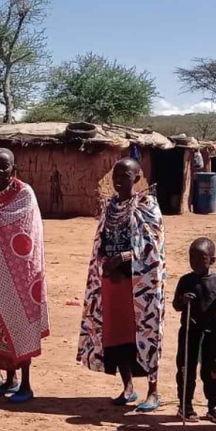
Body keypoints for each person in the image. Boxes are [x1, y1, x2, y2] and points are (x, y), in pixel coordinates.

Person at [77, 159, 167, 413]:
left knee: (145, 333)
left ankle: (153, 391)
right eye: (115, 175)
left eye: (125, 175)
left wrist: (124, 257)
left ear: (137, 178)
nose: (118, 180)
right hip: (113, 281)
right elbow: (102, 240)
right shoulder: (110, 206)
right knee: (117, 334)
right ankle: (127, 387)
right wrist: (106, 261)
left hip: (141, 284)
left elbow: (153, 248)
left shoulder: (147, 205)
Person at [0, 148, 49, 403]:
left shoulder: (24, 194)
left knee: (20, 323)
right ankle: (9, 379)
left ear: (13, 167)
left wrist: (0, 221)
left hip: (20, 273)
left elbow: (28, 232)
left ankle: (26, 384)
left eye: (4, 167)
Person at [173, 237, 216, 424]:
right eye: (191, 257)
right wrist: (183, 300)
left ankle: (213, 405)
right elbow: (176, 305)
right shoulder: (185, 281)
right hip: (189, 331)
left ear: (212, 260)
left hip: (212, 333)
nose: (195, 262)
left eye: (201, 258)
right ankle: (185, 405)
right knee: (186, 369)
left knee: (213, 370)